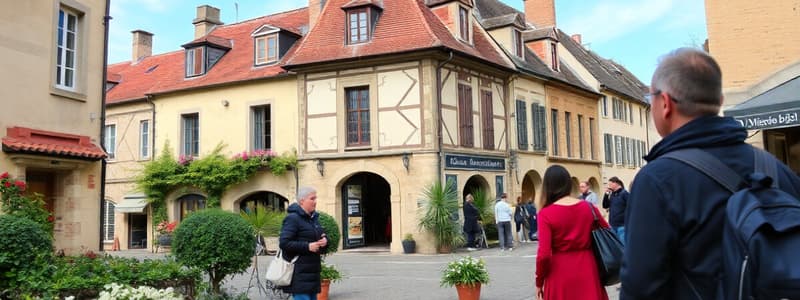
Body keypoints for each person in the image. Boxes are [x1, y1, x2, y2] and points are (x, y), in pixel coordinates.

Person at [621, 48, 800, 299]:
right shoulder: (776, 169)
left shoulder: (658, 179)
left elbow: (640, 287)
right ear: (720, 102)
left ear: (665, 103)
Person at [535, 165, 610, 300]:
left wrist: (539, 281)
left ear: (547, 186)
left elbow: (544, 254)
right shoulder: (588, 207)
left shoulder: (545, 214)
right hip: (588, 266)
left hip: (559, 271)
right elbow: (606, 230)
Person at [279, 186, 329, 300]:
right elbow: (284, 243)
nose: (315, 201)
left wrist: (325, 241)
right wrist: (307, 246)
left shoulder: (314, 219)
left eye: (315, 198)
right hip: (299, 273)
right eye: (312, 198)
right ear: (302, 201)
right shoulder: (293, 218)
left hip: (313, 272)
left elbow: (321, 236)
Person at [601, 177, 628, 244]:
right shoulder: (612, 194)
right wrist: (606, 194)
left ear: (616, 183)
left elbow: (631, 207)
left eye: (610, 184)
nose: (608, 186)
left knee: (623, 245)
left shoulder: (624, 194)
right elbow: (605, 206)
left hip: (622, 225)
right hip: (612, 225)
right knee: (615, 245)